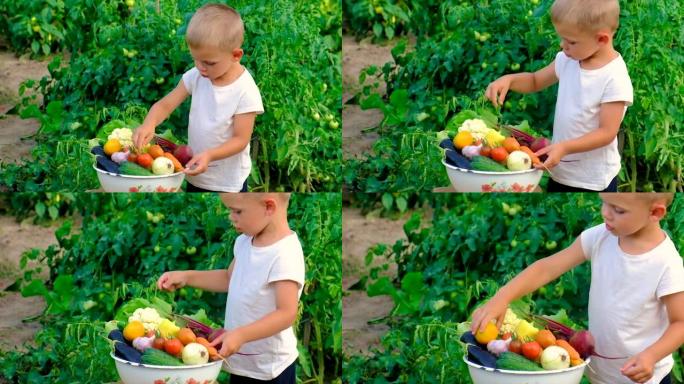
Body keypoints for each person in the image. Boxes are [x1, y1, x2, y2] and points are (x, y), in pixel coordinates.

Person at [471, 194, 684, 384]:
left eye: (618, 210)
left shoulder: (666, 262)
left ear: (655, 212)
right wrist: (503, 296)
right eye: (604, 203)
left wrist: (651, 356)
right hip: (599, 374)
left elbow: (680, 323)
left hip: (643, 378)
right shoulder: (601, 236)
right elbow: (547, 268)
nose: (605, 214)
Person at [485, 0, 633, 192]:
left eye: (571, 41)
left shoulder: (614, 77)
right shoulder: (568, 60)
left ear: (601, 39)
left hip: (592, 180)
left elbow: (606, 133)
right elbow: (535, 80)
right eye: (561, 38)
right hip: (560, 169)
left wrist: (565, 147)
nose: (563, 46)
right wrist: (509, 80)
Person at [157, 193, 304, 383]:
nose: (230, 217)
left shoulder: (285, 253)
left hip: (270, 370)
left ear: (269, 207)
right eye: (229, 210)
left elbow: (286, 313)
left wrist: (241, 335)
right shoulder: (244, 242)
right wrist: (187, 277)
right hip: (240, 362)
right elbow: (229, 278)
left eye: (237, 211)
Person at [133, 4, 264, 192]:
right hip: (194, 173)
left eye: (209, 62)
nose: (201, 67)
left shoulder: (245, 90)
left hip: (227, 183)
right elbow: (165, 105)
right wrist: (149, 123)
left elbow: (240, 140)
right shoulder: (197, 75)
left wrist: (209, 155)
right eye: (196, 59)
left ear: (236, 55)